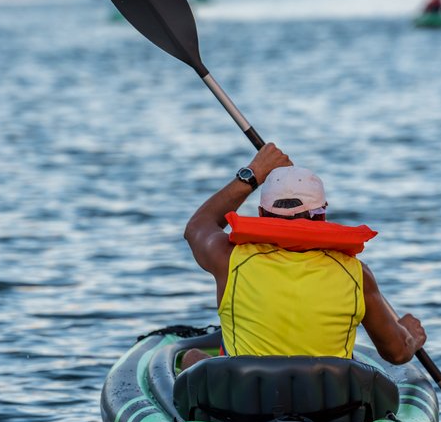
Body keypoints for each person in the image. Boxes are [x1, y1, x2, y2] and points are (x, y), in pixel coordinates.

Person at [181, 143, 427, 368]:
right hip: (330, 408)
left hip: (246, 406)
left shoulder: (229, 260)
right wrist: (409, 335)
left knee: (192, 358)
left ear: (261, 214)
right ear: (322, 215)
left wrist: (253, 173)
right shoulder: (356, 274)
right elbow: (397, 353)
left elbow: (197, 226)